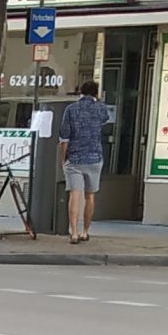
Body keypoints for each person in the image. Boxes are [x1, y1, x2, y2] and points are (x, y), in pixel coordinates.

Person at [57, 79, 113, 243]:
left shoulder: (71, 109)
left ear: (80, 91)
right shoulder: (100, 109)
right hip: (95, 157)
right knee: (90, 196)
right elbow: (105, 119)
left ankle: (73, 232)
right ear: (96, 92)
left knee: (75, 195)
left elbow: (64, 137)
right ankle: (85, 231)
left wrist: (63, 158)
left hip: (74, 158)